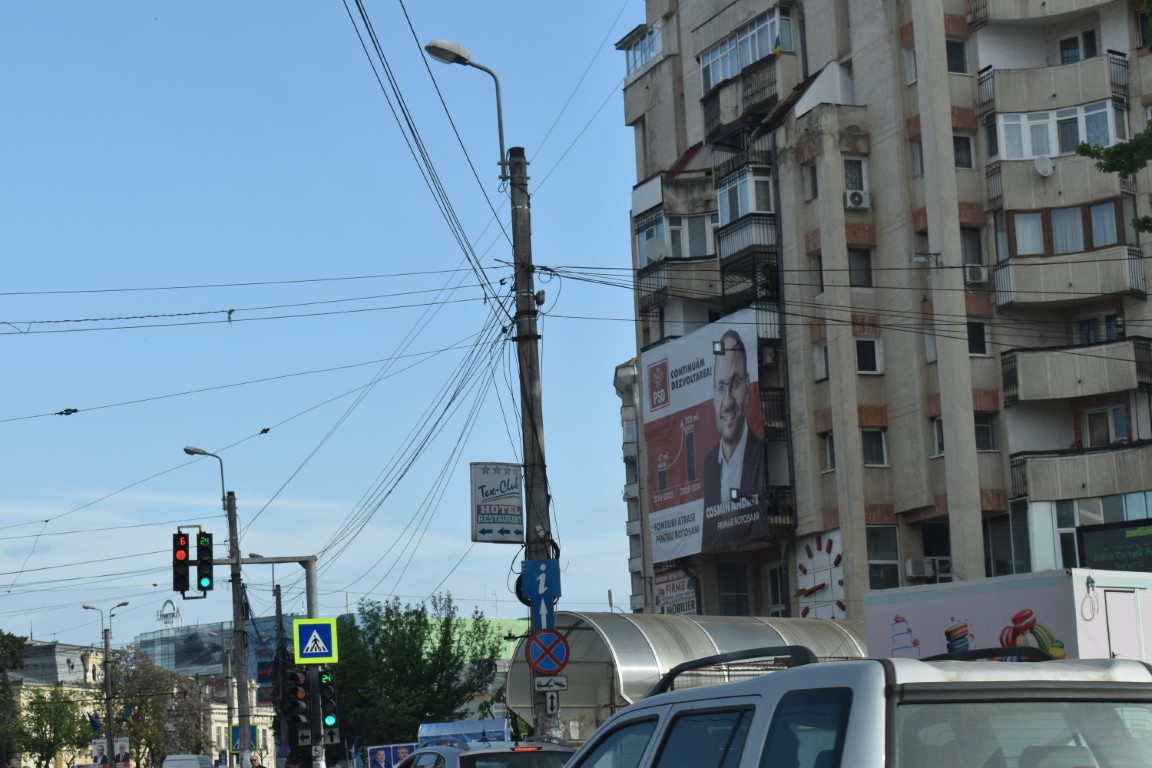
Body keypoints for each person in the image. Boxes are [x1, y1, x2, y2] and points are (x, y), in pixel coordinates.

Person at [702, 329, 767, 549]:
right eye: (721, 388)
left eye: (736, 383)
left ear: (748, 386)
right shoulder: (709, 464)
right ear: (713, 395)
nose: (728, 401)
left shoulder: (761, 453)